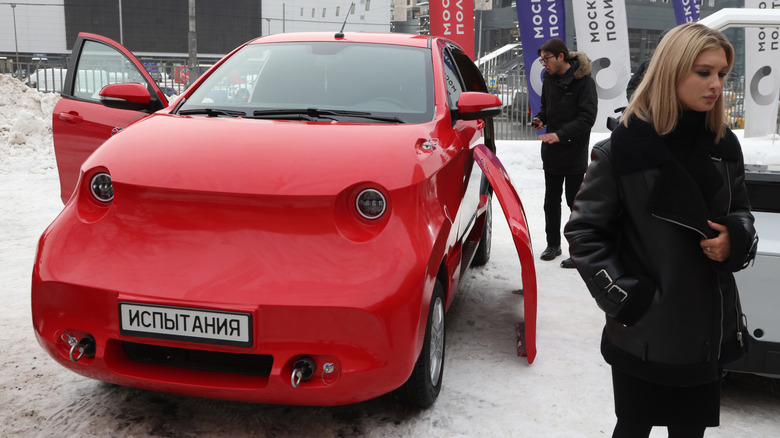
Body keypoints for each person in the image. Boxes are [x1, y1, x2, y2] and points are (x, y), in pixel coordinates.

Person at [564, 23, 758, 438]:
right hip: (647, 329)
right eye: (703, 72)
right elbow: (584, 234)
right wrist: (628, 298)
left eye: (722, 74)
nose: (716, 85)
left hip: (707, 326)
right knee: (634, 426)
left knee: (690, 431)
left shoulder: (723, 145)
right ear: (671, 70)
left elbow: (740, 209)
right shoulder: (622, 150)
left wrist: (735, 238)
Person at [531, 38, 597, 268]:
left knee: (574, 203)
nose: (543, 64)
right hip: (551, 152)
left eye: (546, 59)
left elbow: (587, 119)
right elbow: (547, 108)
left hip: (573, 151)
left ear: (561, 56)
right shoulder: (549, 78)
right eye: (541, 60)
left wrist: (560, 134)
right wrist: (541, 119)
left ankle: (579, 251)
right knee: (551, 201)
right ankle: (553, 244)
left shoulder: (584, 81)